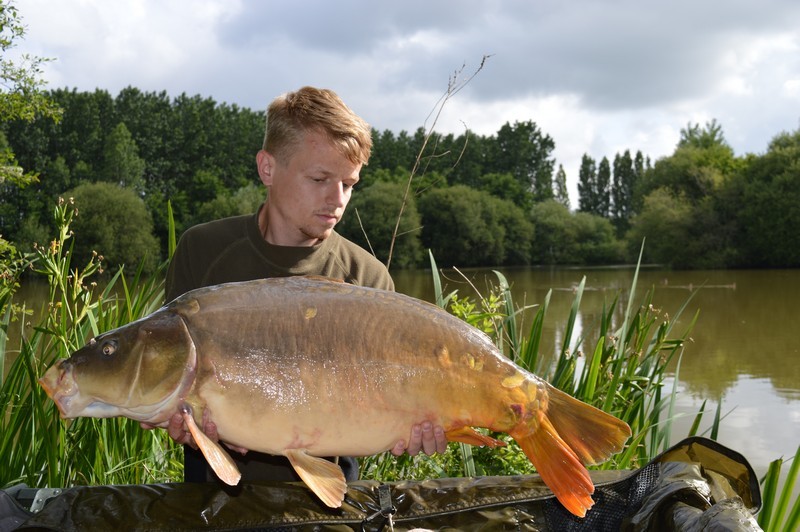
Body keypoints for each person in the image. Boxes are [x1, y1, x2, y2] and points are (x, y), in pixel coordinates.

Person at [157, 86, 447, 484]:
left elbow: (385, 400)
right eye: (320, 178)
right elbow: (173, 382)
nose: (337, 199)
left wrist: (412, 427)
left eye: (349, 183)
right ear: (267, 168)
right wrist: (180, 422)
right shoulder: (203, 251)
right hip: (214, 496)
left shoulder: (367, 278)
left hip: (330, 491)